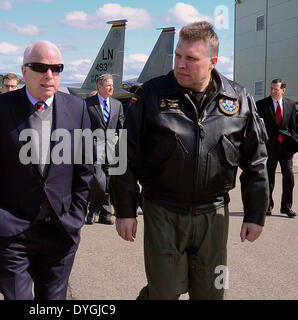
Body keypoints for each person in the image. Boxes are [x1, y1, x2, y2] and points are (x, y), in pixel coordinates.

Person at [111, 21, 269, 300]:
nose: (181, 65)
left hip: (214, 215)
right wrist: (124, 209)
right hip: (162, 211)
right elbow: (123, 153)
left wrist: (255, 214)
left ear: (213, 62)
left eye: (191, 59)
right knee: (164, 291)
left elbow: (255, 162)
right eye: (178, 56)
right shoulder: (151, 94)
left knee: (212, 291)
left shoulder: (238, 98)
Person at [0, 41, 93, 300]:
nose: (49, 75)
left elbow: (85, 167)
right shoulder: (0, 108)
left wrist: (77, 213)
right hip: (12, 231)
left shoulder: (77, 108)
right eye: (40, 67)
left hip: (60, 230)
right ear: (24, 71)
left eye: (56, 68)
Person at [85, 74, 124, 225]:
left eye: (112, 85)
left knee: (108, 180)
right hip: (93, 146)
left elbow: (121, 127)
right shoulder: (87, 104)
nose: (111, 88)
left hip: (110, 147)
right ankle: (93, 209)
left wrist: (123, 148)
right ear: (99, 87)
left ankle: (106, 213)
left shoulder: (117, 104)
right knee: (98, 180)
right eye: (108, 85)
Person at [256, 79, 297, 217]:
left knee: (289, 178)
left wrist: (293, 144)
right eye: (271, 88)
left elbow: (293, 128)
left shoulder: (291, 105)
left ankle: (286, 207)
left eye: (276, 89)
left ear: (283, 90)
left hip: (286, 149)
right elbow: (256, 127)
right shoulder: (261, 104)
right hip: (268, 147)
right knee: (268, 178)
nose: (273, 91)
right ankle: (267, 206)